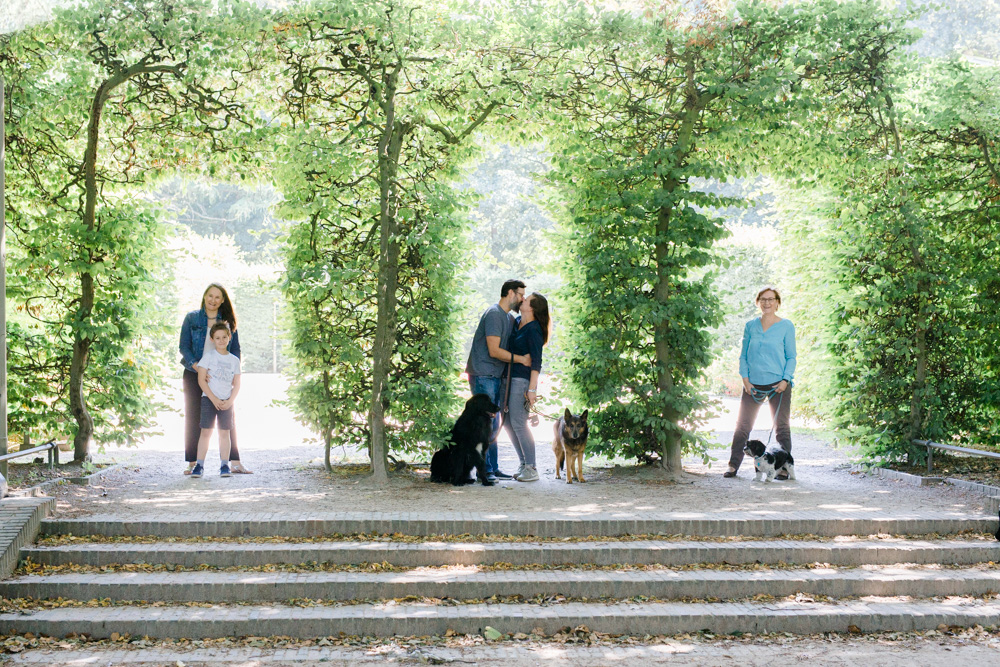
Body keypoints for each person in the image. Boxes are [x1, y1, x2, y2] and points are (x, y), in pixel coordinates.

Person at [724, 286, 797, 479]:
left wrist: (785, 380)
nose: (767, 303)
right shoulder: (750, 326)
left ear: (777, 303)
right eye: (763, 299)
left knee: (782, 427)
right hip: (753, 385)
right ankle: (733, 465)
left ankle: (783, 468)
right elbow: (743, 356)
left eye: (771, 299)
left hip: (778, 385)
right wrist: (746, 380)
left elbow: (791, 357)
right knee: (742, 426)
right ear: (758, 302)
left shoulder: (786, 326)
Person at [179, 284, 252, 475]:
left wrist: (234, 372)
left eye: (217, 297)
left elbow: (235, 349)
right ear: (204, 296)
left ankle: (234, 462)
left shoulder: (228, 322)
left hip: (221, 376)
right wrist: (198, 367)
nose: (213, 300)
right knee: (194, 417)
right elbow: (183, 346)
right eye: (210, 296)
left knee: (228, 416)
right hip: (194, 372)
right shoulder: (192, 318)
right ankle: (193, 463)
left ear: (222, 300)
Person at [465, 280, 529, 482]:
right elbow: (494, 350)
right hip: (483, 374)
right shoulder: (494, 314)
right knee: (485, 424)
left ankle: (492, 468)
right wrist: (521, 359)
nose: (522, 299)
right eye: (520, 294)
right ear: (510, 293)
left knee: (494, 423)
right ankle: (485, 471)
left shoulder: (508, 318)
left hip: (494, 376)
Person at [502, 292, 550, 482]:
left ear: (532, 308)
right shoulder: (517, 321)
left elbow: (536, 362)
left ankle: (531, 467)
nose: (522, 300)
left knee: (519, 424)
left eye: (527, 299)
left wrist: (532, 390)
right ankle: (523, 463)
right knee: (507, 423)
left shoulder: (534, 329)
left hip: (521, 381)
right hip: (508, 379)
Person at [191, 322, 242, 478]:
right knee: (206, 432)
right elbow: (201, 380)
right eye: (218, 338)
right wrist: (213, 399)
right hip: (209, 399)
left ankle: (224, 465)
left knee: (224, 432)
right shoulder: (208, 357)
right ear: (212, 339)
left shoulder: (234, 360)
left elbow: (237, 384)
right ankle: (199, 465)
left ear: (229, 337)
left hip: (226, 401)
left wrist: (230, 401)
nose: (221, 340)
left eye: (224, 337)